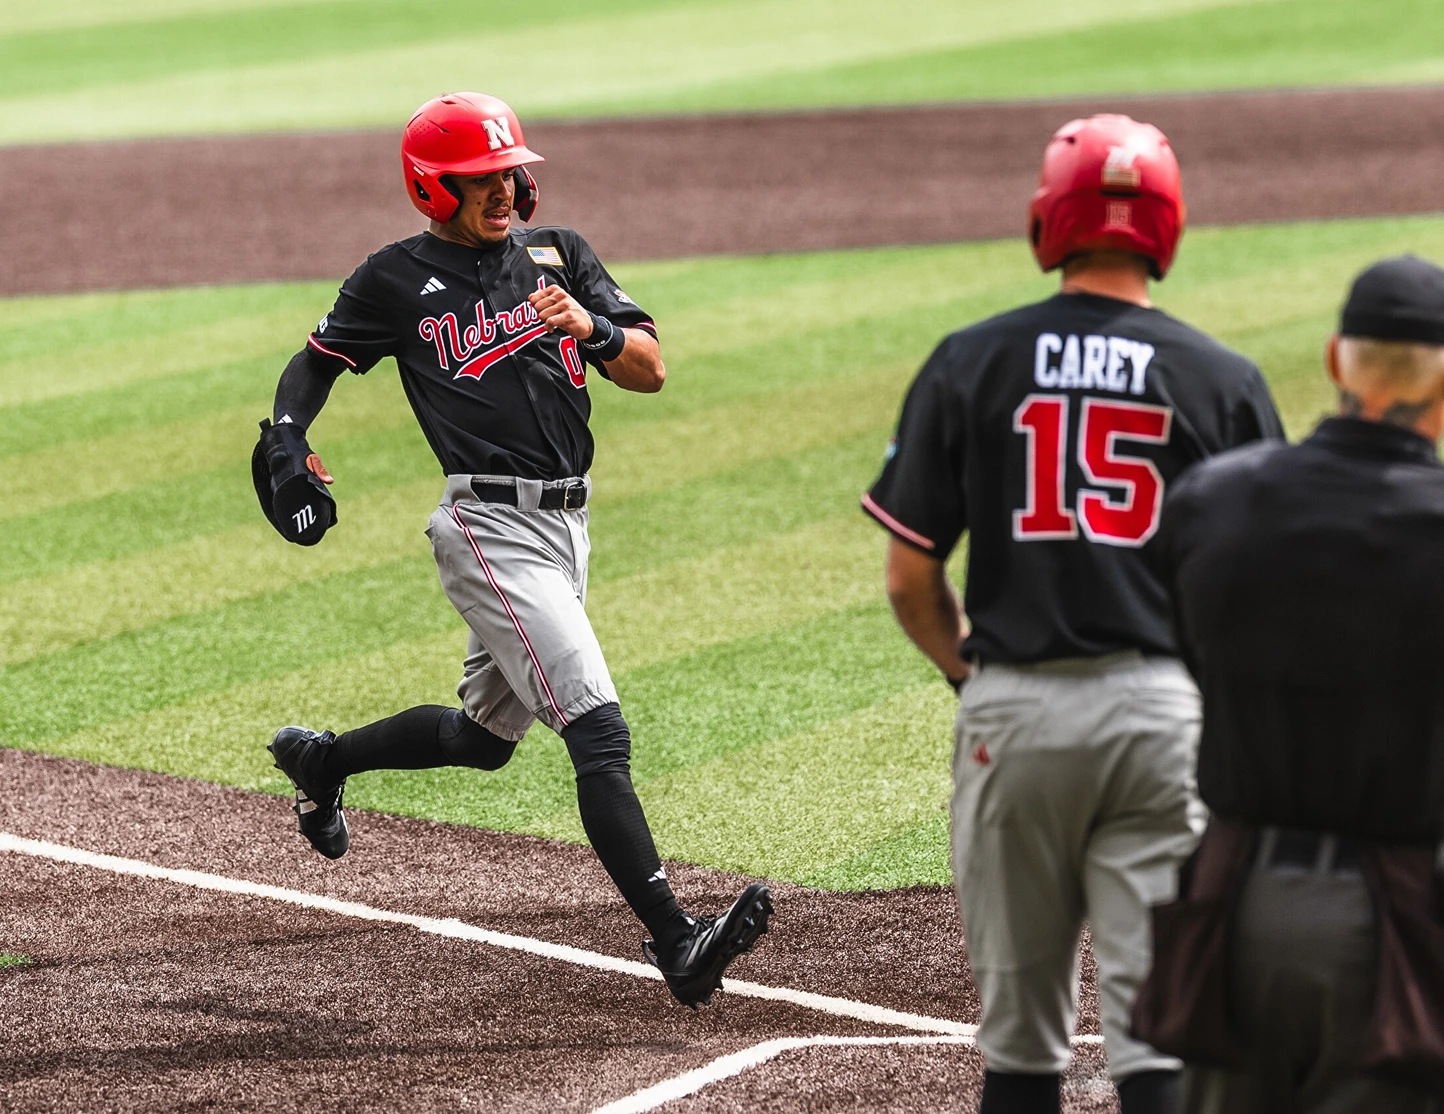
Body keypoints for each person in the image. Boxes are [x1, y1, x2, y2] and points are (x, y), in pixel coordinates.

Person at [250, 92, 770, 1008]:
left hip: (568, 527)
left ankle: (323, 763)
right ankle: (676, 940)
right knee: (597, 728)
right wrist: (288, 434)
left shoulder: (558, 253)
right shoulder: (393, 279)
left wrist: (590, 328)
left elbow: (650, 369)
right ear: (433, 187)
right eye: (481, 177)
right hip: (488, 528)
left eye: (509, 173)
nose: (504, 189)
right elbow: (318, 360)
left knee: (484, 739)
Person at [860, 114, 1283, 1113]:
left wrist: (972, 676)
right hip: (1163, 719)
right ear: (1167, 224)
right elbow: (1259, 598)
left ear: (1048, 219)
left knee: (1019, 1048)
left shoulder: (970, 360)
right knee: (1159, 1036)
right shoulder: (1223, 380)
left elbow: (909, 580)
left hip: (1016, 715)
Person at [1145, 255, 1444, 1112]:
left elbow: (1189, 655)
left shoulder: (1213, 501)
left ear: (1336, 359)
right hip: (1394, 920)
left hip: (1233, 904)